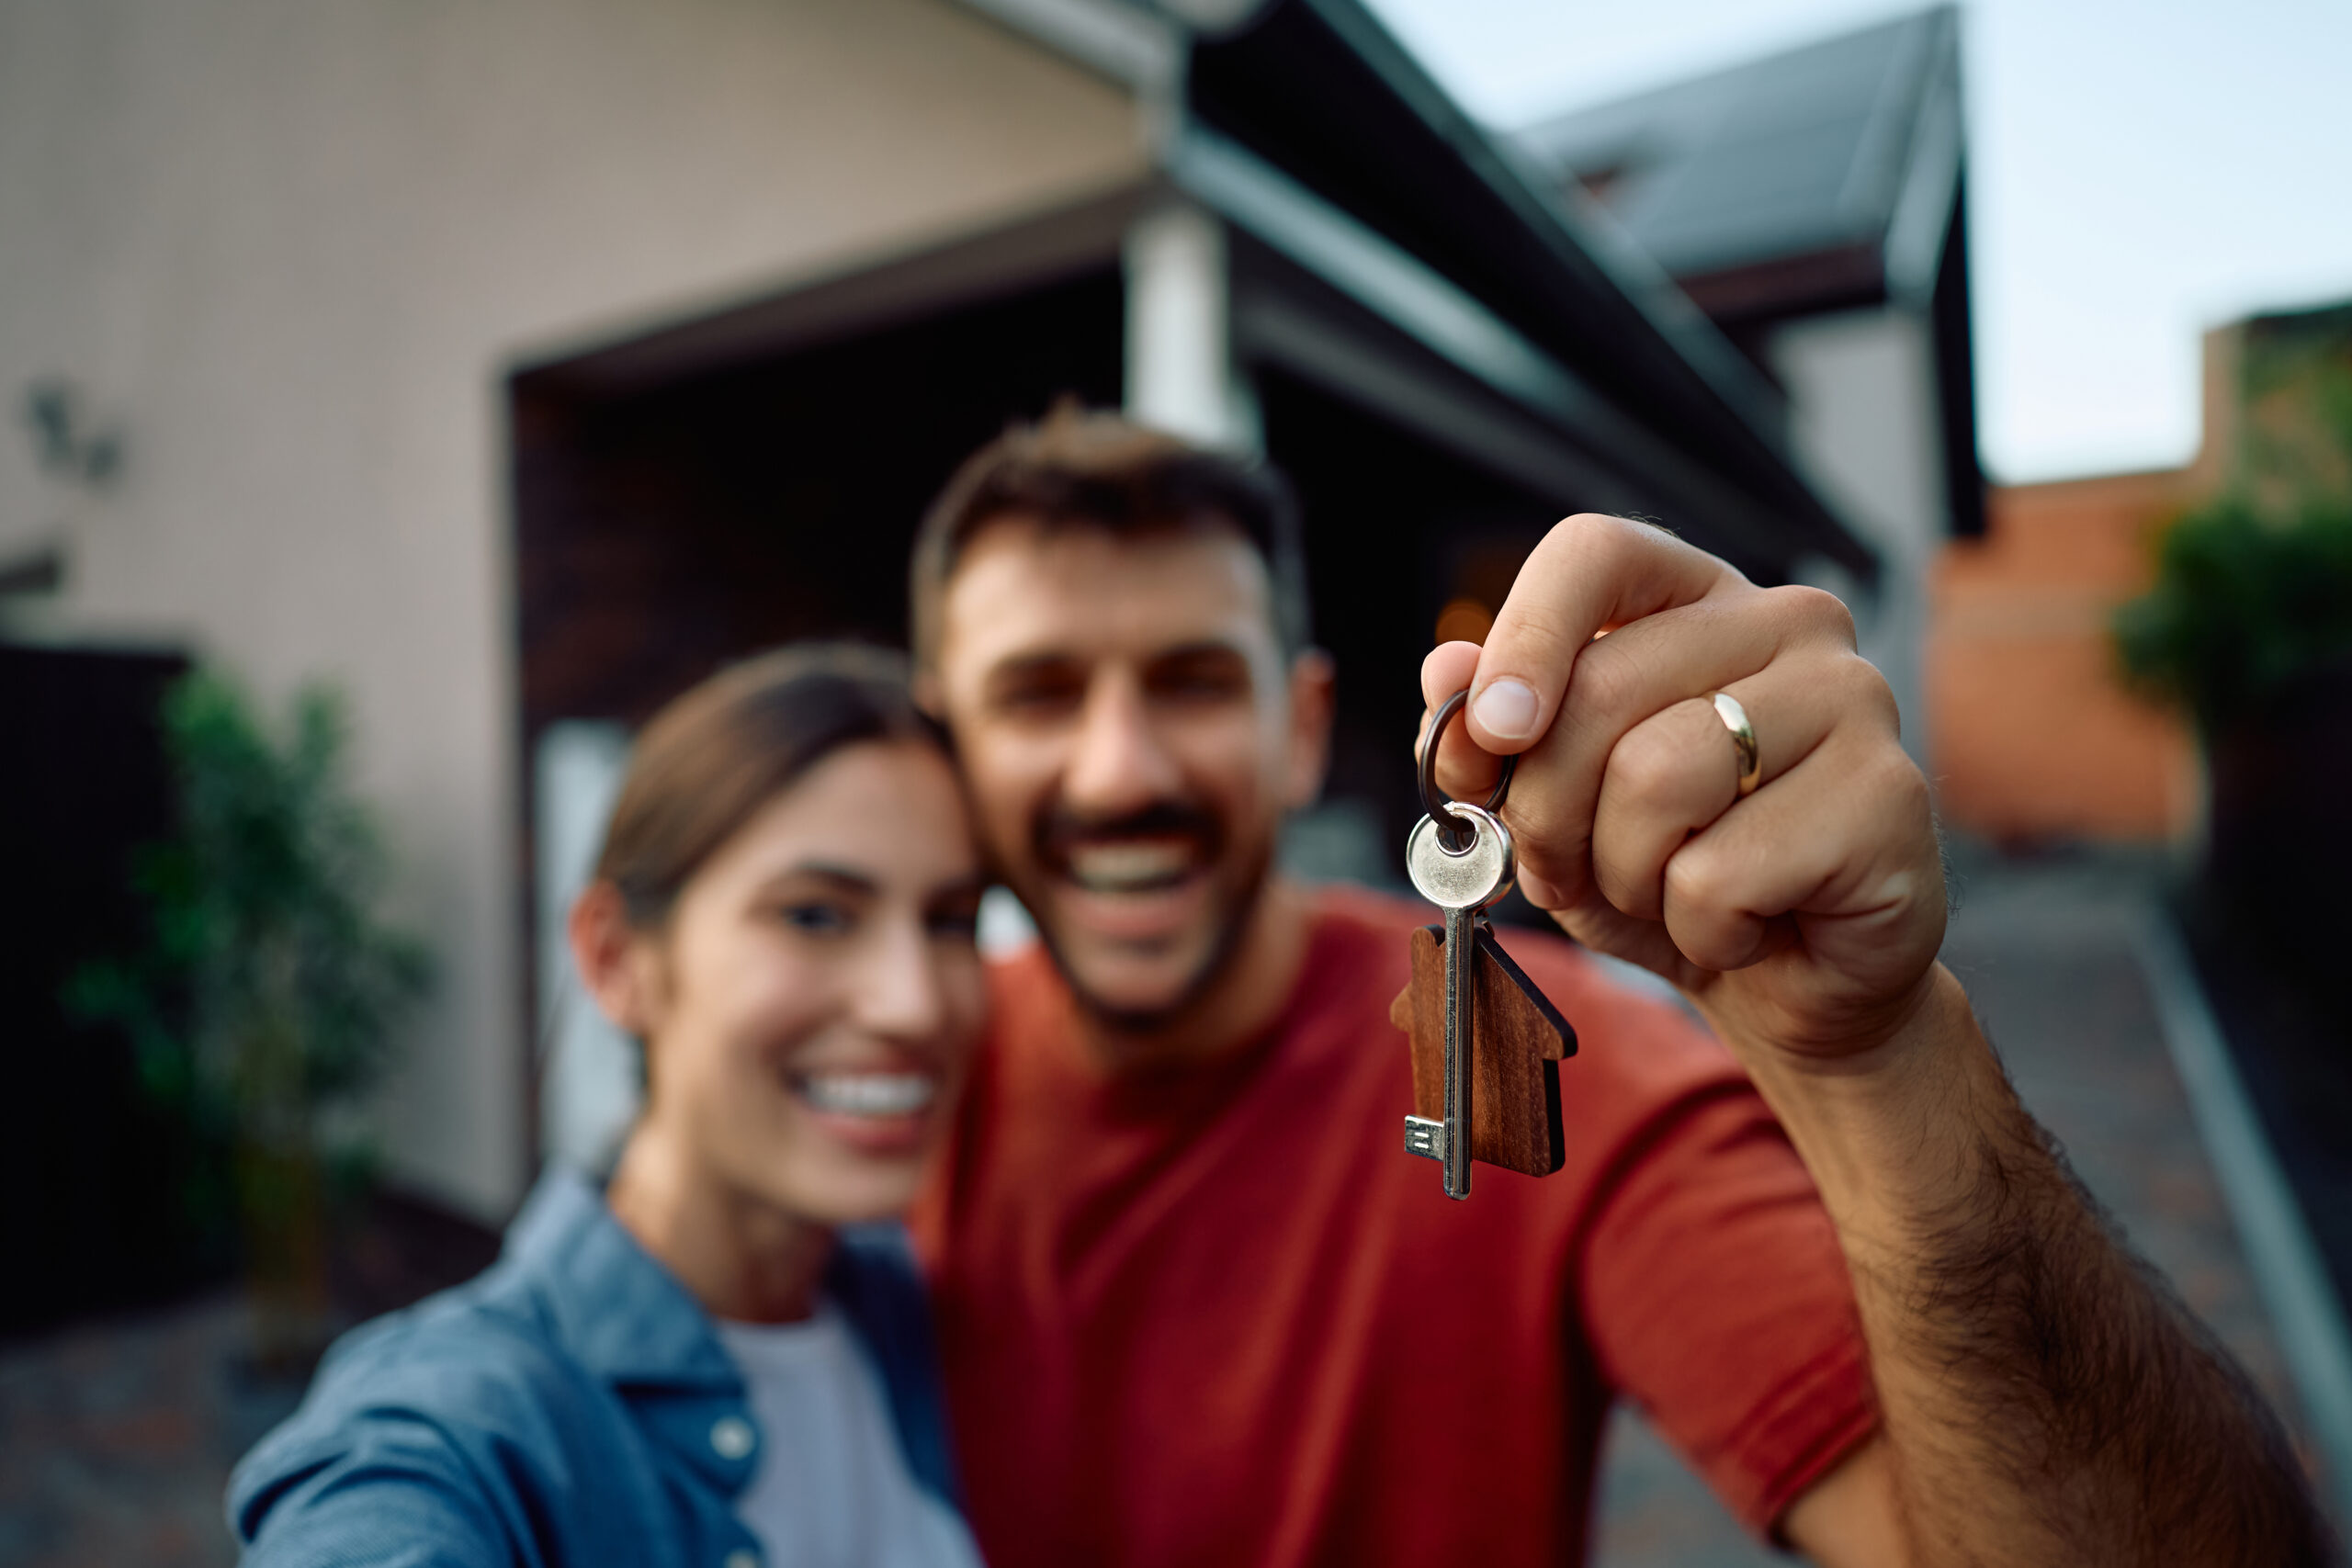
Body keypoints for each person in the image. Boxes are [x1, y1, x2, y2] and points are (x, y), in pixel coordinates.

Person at [905, 406, 2329, 1566]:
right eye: (1037, 694)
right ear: (948, 745)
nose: (1121, 771)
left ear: (1302, 727)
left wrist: (1881, 1063)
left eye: (1193, 680)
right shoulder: (878, 1100)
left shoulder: (1568, 1081)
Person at [230, 645, 990, 1568]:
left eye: (952, 920)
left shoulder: (922, 1315)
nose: (913, 1002)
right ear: (616, 959)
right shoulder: (472, 1420)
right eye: (816, 915)